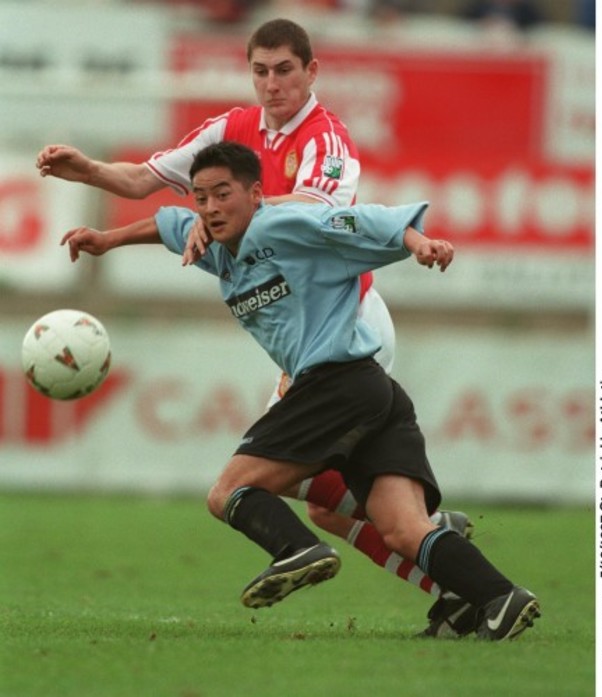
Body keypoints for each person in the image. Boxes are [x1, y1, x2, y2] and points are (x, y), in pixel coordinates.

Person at [37, 17, 473, 632]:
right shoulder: (232, 130)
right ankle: (433, 548)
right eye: (261, 71)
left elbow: (320, 215)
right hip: (300, 333)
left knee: (268, 479)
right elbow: (143, 180)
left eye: (285, 70)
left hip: (345, 322)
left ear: (311, 71)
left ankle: (412, 536)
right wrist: (87, 169)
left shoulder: (327, 140)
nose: (272, 85)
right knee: (318, 499)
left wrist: (222, 216)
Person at [60, 141, 541, 640]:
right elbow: (165, 224)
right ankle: (499, 597)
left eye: (223, 194)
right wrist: (106, 238)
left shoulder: (283, 226)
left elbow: (368, 221)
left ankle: (298, 550)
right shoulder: (212, 242)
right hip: (372, 392)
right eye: (201, 197)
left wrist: (419, 244)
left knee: (229, 492)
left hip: (335, 384)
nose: (210, 207)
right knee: (402, 529)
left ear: (256, 193)